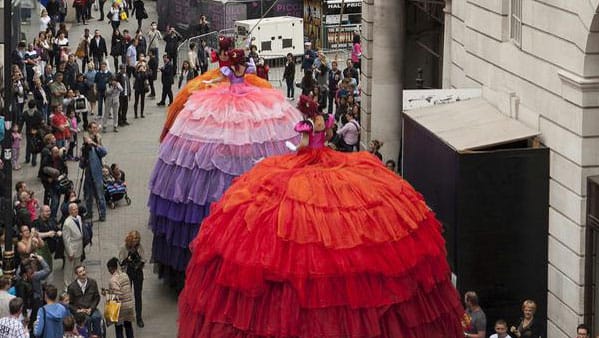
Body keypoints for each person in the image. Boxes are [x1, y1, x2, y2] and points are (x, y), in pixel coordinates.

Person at [177, 91, 465, 337]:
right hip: (328, 161)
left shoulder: (303, 127)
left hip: (307, 164)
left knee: (292, 221)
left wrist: (301, 147)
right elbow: (326, 138)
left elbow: (303, 147)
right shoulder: (324, 123)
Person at [148, 48, 301, 285]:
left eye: (239, 63)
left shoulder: (246, 73)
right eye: (237, 63)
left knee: (249, 141)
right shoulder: (233, 71)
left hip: (245, 100)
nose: (238, 66)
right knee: (221, 150)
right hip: (227, 101)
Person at [80, 128, 108, 222]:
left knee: (100, 196)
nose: (86, 140)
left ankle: (102, 214)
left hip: (97, 176)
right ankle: (89, 213)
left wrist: (95, 144)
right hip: (88, 176)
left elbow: (104, 152)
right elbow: (81, 165)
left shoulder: (96, 148)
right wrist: (83, 157)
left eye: (87, 139)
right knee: (88, 196)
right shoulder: (85, 149)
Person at [119, 231, 145, 328]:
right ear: (130, 239)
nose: (136, 241)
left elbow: (143, 259)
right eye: (134, 239)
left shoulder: (139, 246)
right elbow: (121, 262)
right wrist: (128, 259)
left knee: (138, 296)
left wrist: (139, 264)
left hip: (138, 273)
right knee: (126, 296)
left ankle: (139, 318)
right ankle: (127, 317)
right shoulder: (124, 247)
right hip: (127, 273)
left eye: (137, 239)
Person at [66, 265, 101, 337]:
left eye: (83, 270)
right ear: (77, 274)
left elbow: (97, 297)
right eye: (80, 272)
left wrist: (91, 308)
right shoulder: (72, 287)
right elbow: (70, 304)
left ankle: (97, 335)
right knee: (86, 320)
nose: (83, 273)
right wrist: (78, 310)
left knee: (97, 317)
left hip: (91, 309)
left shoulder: (92, 282)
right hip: (80, 312)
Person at [106, 257, 135, 337]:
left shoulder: (113, 280)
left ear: (111, 268)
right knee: (128, 326)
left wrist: (108, 294)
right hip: (129, 306)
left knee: (118, 328)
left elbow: (118, 295)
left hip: (120, 308)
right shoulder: (125, 275)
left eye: (109, 269)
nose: (109, 271)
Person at [63, 203, 84, 289]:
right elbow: (66, 239)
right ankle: (67, 286)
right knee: (69, 269)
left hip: (79, 246)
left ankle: (77, 284)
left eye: (76, 209)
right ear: (70, 211)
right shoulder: (67, 223)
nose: (76, 211)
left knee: (77, 266)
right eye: (74, 209)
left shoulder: (79, 217)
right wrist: (70, 252)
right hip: (72, 248)